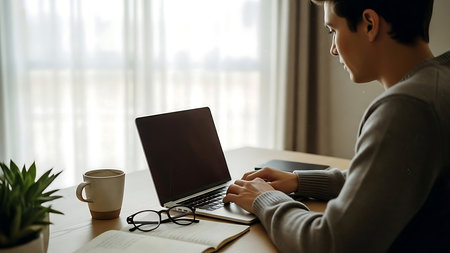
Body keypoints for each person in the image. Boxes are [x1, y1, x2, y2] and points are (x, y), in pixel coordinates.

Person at [223, 0, 450, 252]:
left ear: (369, 24)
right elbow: (388, 180)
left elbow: (329, 243)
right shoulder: (439, 82)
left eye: (333, 30)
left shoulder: (407, 106)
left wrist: (263, 199)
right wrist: (299, 182)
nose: (333, 49)